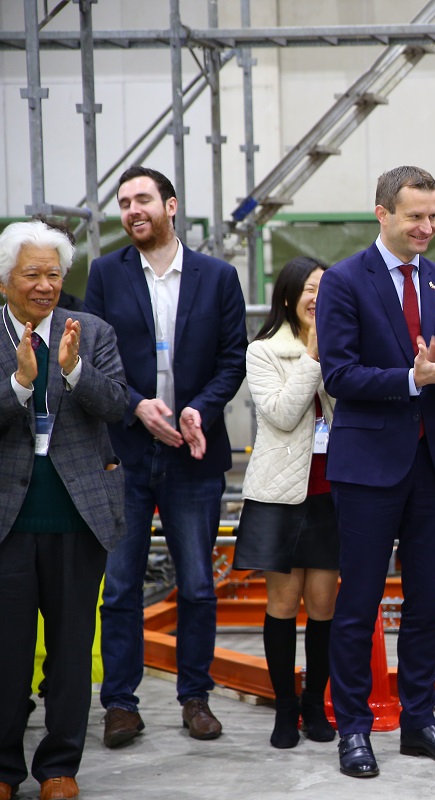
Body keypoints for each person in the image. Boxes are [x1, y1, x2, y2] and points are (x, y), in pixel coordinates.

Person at [315, 166, 435, 779]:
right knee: (358, 602)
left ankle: (420, 722)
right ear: (382, 212)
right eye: (415, 216)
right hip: (366, 468)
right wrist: (414, 378)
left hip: (432, 466)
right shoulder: (343, 282)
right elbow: (339, 376)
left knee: (427, 605)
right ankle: (354, 729)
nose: (427, 227)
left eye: (434, 216)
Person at [85, 166, 248, 747]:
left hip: (194, 452)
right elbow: (94, 363)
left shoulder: (217, 277)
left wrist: (197, 408)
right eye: (124, 202)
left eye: (143, 199)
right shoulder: (105, 274)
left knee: (199, 584)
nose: (132, 210)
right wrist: (134, 407)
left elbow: (233, 359)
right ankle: (121, 705)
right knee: (123, 584)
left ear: (170, 206)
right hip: (124, 455)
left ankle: (195, 697)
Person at [0, 220, 128, 800]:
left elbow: (117, 406)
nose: (46, 285)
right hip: (9, 518)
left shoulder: (92, 331)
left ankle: (59, 767)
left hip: (78, 515)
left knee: (73, 650)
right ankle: (4, 769)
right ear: (6, 280)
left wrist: (73, 371)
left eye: (54, 273)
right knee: (6, 651)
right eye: (33, 274)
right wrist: (22, 386)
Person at [233, 256, 339, 749]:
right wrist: (313, 357)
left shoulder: (344, 342)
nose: (318, 297)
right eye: (310, 289)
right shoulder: (263, 351)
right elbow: (279, 413)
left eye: (326, 287)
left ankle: (315, 704)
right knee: (282, 603)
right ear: (288, 297)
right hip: (281, 493)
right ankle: (284, 708)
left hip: (332, 492)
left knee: (323, 604)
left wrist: (330, 352)